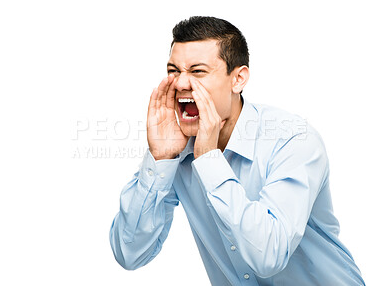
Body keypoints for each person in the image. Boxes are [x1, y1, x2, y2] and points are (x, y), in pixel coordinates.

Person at [109, 16, 365, 285]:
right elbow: (129, 254)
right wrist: (160, 159)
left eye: (197, 71)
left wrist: (209, 161)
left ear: (238, 79)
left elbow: (268, 256)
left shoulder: (293, 140)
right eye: (173, 71)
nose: (181, 84)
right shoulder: (177, 150)